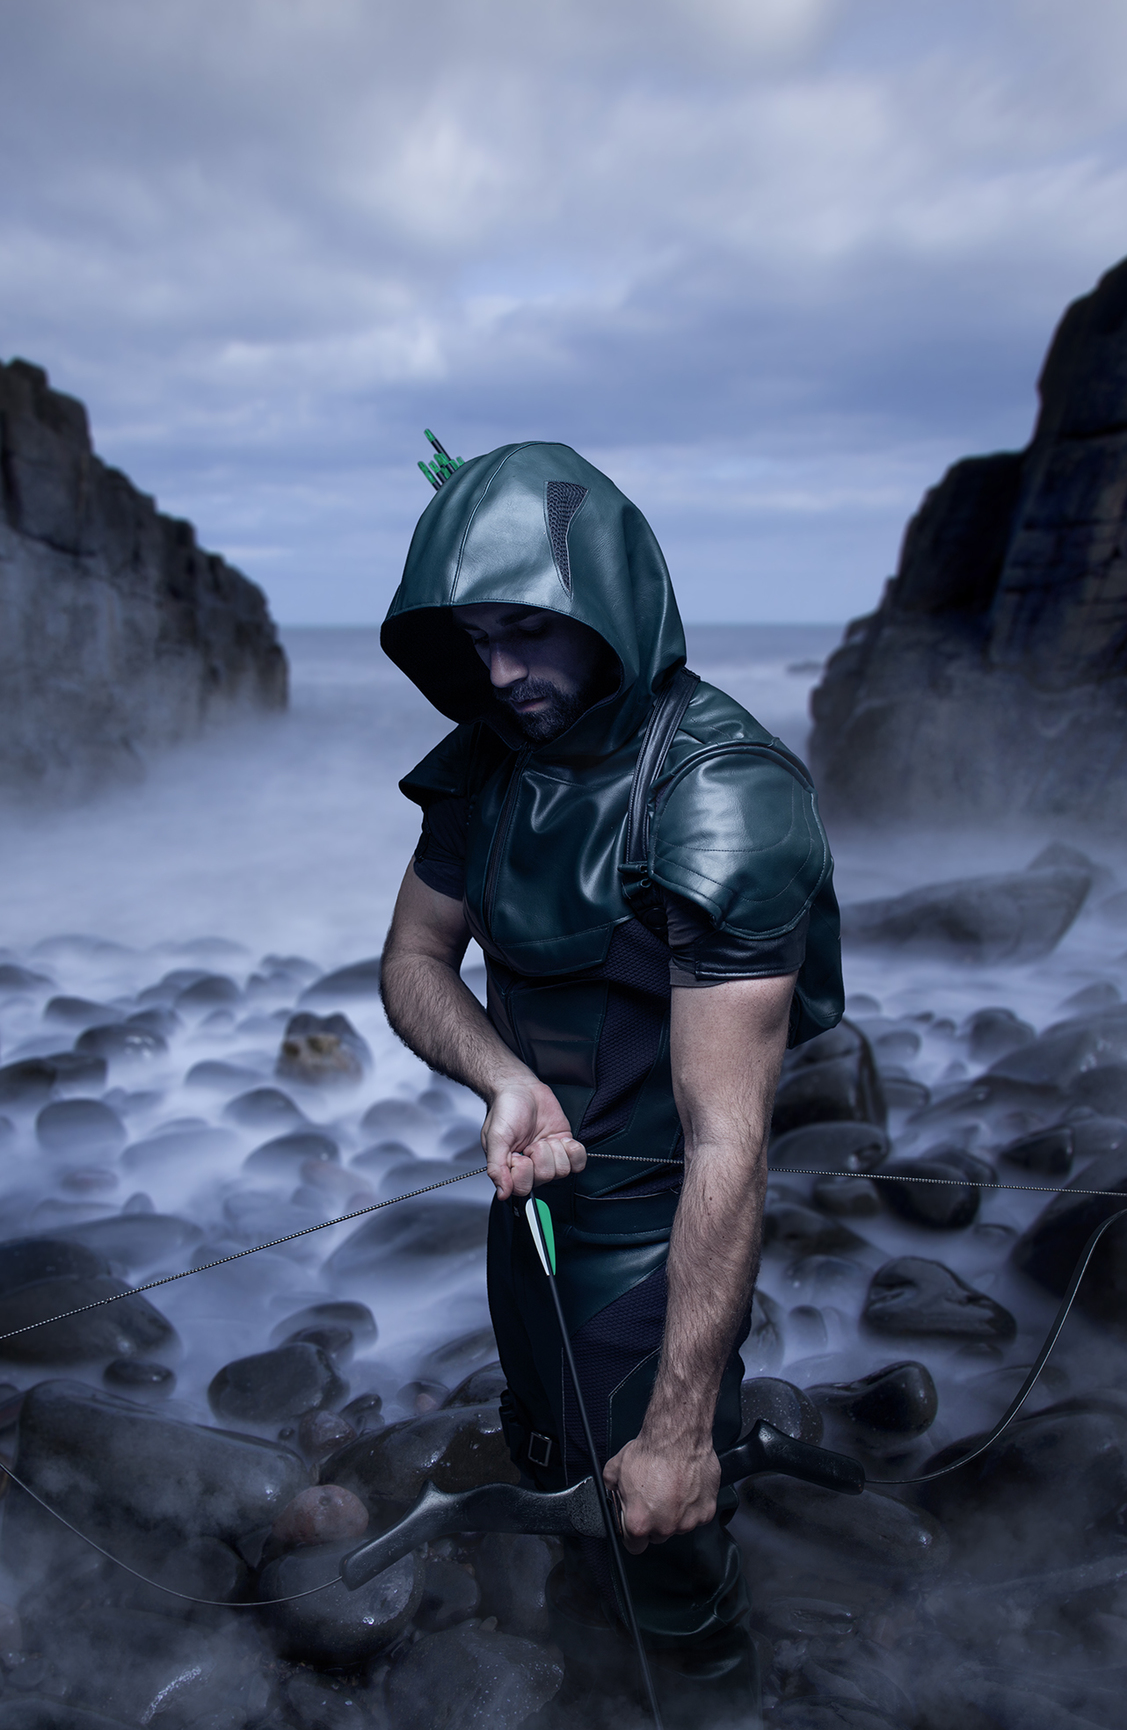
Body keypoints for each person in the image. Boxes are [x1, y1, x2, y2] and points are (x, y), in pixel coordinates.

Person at [379, 441, 843, 1728]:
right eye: (475, 640)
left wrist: (687, 1427)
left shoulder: (723, 798)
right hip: (528, 1212)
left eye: (527, 631)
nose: (501, 672)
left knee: (666, 1549)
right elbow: (414, 959)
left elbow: (729, 1134)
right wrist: (502, 1075)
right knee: (556, 1484)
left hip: (657, 1246)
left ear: (610, 609)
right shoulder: (488, 760)